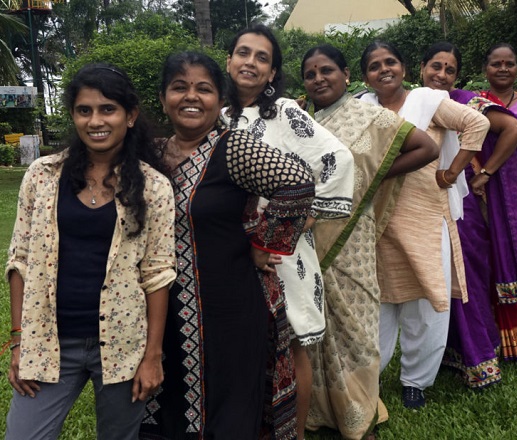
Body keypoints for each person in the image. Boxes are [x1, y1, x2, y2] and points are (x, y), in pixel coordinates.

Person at [138, 51, 315, 440]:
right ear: (164, 96)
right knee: (169, 400)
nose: (191, 97)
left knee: (227, 404)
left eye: (204, 89)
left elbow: (298, 183)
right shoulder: (150, 153)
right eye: (179, 87)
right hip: (160, 304)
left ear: (221, 100)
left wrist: (264, 240)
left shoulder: (232, 148)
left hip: (229, 306)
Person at [4, 63, 177, 440]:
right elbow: (20, 261)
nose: (95, 120)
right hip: (50, 341)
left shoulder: (153, 188)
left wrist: (152, 356)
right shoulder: (43, 175)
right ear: (73, 116)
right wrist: (19, 341)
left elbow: (158, 275)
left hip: (122, 344)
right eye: (85, 110)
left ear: (129, 116)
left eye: (107, 109)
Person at [222, 24, 355, 440]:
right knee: (243, 342)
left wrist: (301, 219)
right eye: (243, 53)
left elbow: (337, 158)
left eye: (262, 58)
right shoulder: (215, 113)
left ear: (273, 72)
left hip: (282, 249)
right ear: (229, 61)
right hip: (230, 245)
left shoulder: (284, 112)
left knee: (294, 340)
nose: (251, 62)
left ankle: (293, 434)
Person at [299, 44, 439, 439]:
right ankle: (323, 412)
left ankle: (359, 415)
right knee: (318, 326)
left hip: (352, 235)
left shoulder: (368, 114)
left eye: (327, 70)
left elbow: (426, 148)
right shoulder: (306, 123)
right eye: (310, 74)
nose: (318, 79)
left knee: (356, 327)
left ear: (346, 74)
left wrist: (372, 176)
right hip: (311, 238)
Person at [359, 41, 490, 409]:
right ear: (365, 75)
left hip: (426, 217)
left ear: (404, 67)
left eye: (390, 62)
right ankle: (371, 375)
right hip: (377, 219)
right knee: (379, 301)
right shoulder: (362, 108)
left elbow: (476, 124)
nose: (383, 70)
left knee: (426, 302)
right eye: (374, 66)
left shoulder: (428, 100)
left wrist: (451, 172)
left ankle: (415, 382)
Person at [420, 41, 517, 386]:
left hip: (459, 206)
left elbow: (512, 129)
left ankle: (481, 359)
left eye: (450, 70)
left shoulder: (465, 101)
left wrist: (484, 174)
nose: (442, 75)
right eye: (436, 66)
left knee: (466, 280)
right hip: (420, 206)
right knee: (437, 282)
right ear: (421, 68)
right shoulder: (413, 102)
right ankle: (448, 353)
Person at [479, 43, 517, 361]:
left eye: (510, 63)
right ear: (486, 69)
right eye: (497, 64)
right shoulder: (477, 104)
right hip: (492, 192)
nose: (503, 68)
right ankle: (508, 340)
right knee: (499, 253)